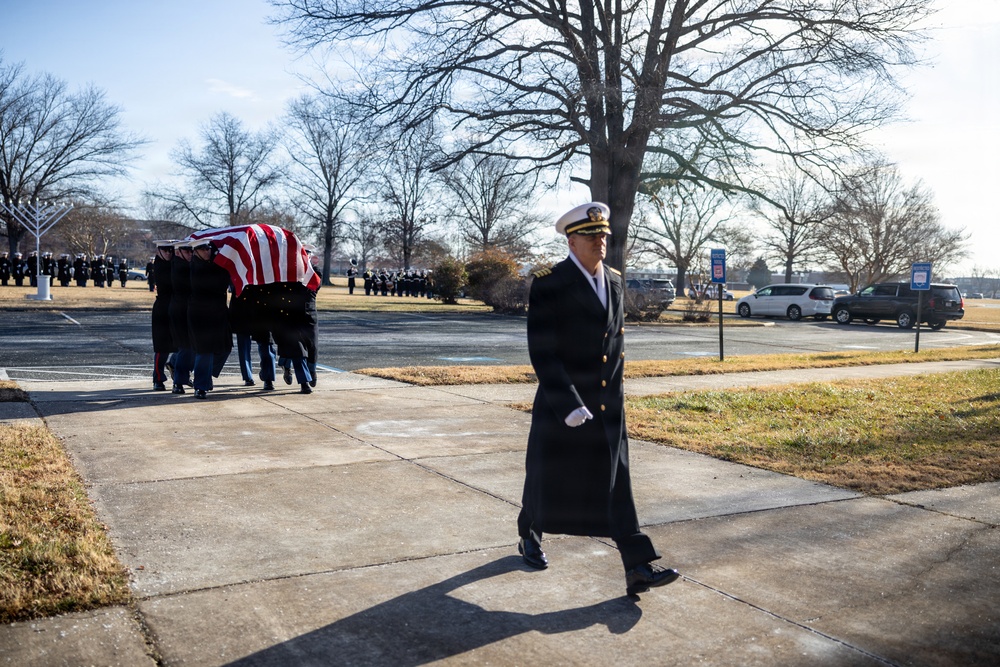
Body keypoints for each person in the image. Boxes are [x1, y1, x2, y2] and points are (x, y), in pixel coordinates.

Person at [516, 201, 679, 597]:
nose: (600, 241)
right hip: (566, 403)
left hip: (608, 404)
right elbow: (543, 351)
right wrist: (567, 403)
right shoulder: (550, 282)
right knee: (546, 474)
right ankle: (529, 534)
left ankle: (637, 566)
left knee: (616, 482)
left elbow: (617, 344)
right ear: (572, 241)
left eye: (603, 235)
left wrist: (618, 400)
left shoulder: (616, 281)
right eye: (591, 236)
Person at [187, 239, 232, 399]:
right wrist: (223, 263)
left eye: (208, 248)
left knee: (226, 347)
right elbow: (219, 283)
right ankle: (200, 386)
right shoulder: (195, 267)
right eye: (203, 249)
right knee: (204, 351)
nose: (207, 251)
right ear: (196, 251)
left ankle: (207, 376)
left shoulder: (213, 265)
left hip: (218, 313)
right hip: (201, 315)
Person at [150, 241, 177, 390]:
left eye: (171, 251)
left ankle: (174, 366)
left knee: (182, 344)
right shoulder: (160, 265)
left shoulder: (174, 262)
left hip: (175, 307)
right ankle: (158, 378)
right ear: (158, 251)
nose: (168, 253)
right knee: (162, 347)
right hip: (162, 308)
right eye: (165, 250)